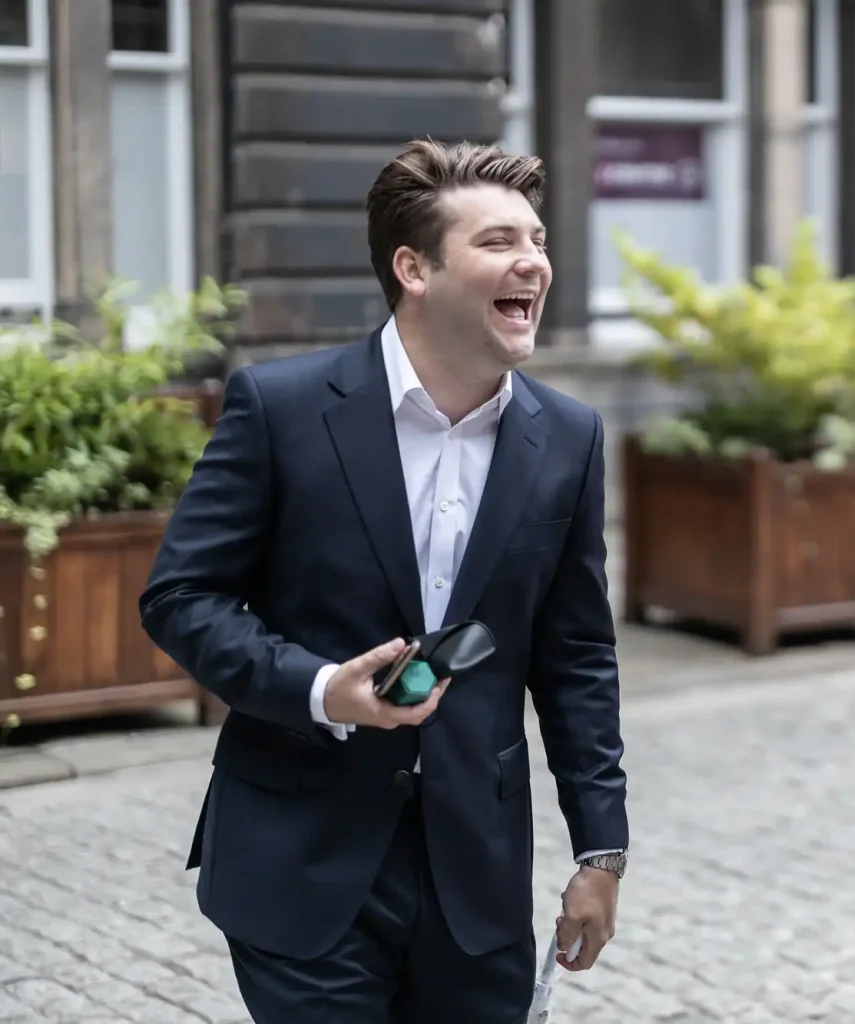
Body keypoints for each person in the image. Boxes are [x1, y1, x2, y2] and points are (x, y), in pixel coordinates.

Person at [139, 139, 629, 1023]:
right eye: (497, 241)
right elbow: (181, 598)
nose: (532, 261)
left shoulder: (568, 437)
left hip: (474, 879)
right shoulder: (282, 408)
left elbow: (577, 657)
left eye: (537, 239)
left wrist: (602, 853)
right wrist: (322, 689)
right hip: (300, 856)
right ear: (414, 268)